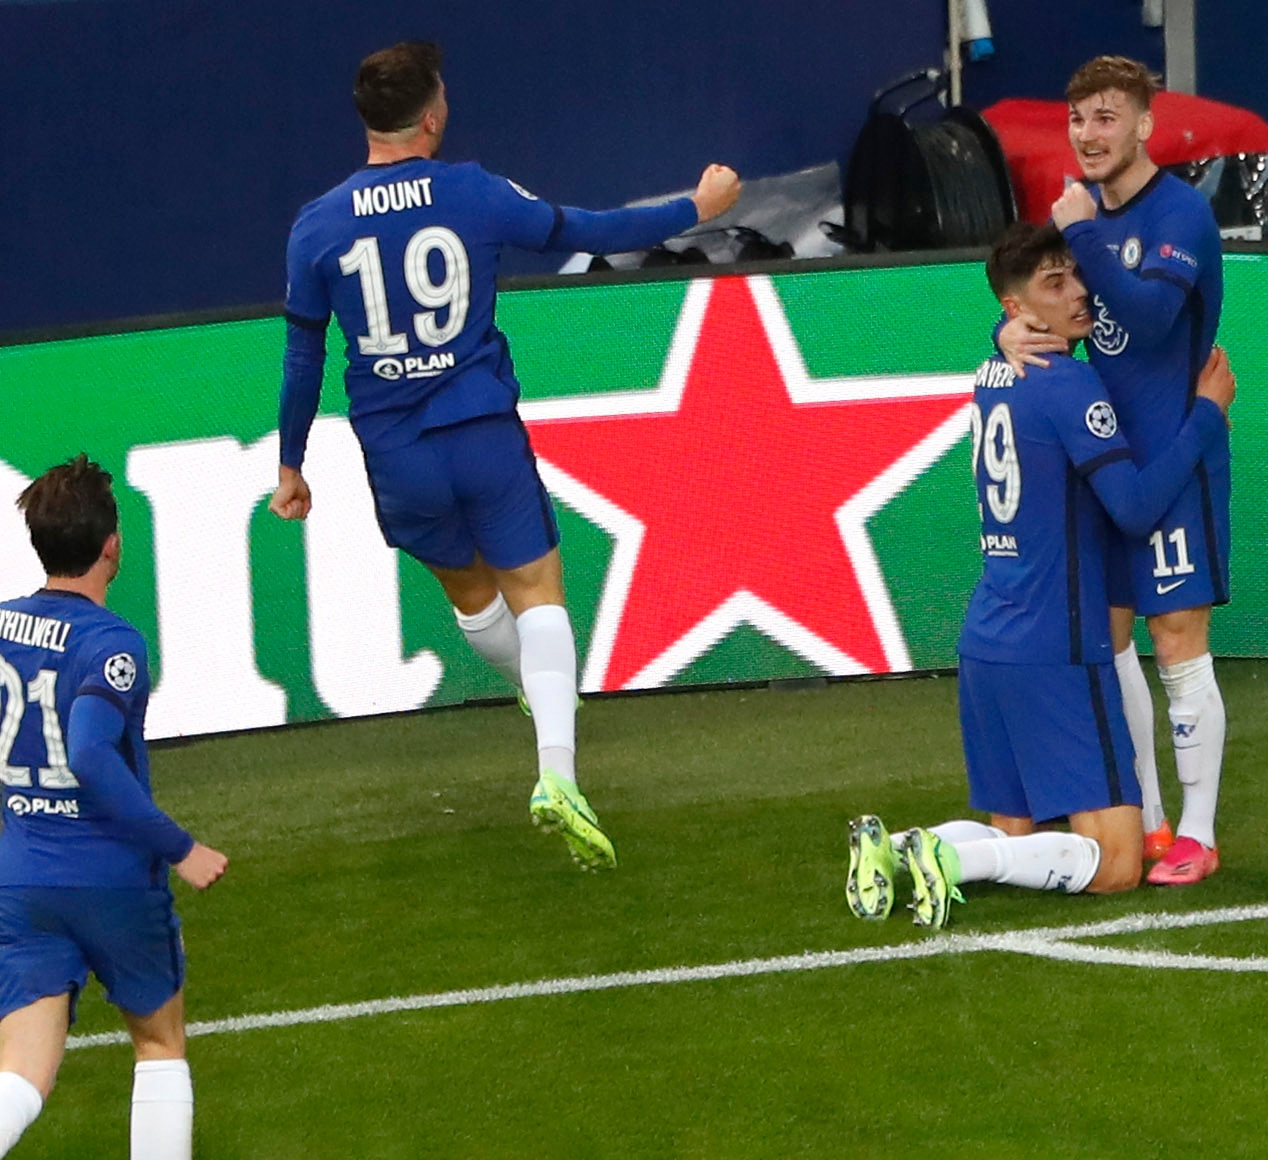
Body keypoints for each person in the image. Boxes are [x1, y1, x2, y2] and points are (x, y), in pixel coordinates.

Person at [270, 41, 741, 869]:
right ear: (431, 115)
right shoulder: (474, 193)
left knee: (473, 597)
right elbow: (589, 230)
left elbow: (302, 357)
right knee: (539, 592)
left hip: (397, 452)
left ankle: (533, 691)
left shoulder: (317, 225)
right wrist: (693, 206)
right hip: (480, 430)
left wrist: (291, 463)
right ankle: (555, 770)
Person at [845, 223, 1235, 929]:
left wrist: (1003, 330)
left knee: (1018, 832)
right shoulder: (1067, 384)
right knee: (1115, 864)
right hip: (1056, 646)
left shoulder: (991, 370)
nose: (1080, 292)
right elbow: (1134, 510)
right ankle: (946, 860)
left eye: (1076, 276)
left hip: (988, 639)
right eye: (1054, 285)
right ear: (1017, 306)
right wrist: (1205, 419)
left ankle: (903, 849)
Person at [998, 56, 1227, 885]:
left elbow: (1151, 315)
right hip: (1103, 464)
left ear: (1142, 126)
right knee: (1115, 639)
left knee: (1178, 641)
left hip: (1174, 456)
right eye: (1077, 120)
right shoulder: (1079, 219)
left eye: (1104, 118)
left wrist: (1085, 231)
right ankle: (1154, 818)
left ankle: (1199, 832)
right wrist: (1007, 332)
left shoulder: (1181, 214)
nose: (1087, 136)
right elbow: (1040, 294)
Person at [0, 455, 230, 1159]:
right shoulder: (111, 642)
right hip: (111, 882)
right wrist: (180, 847)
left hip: (20, 881)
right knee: (159, 1044)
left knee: (21, 1072)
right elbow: (93, 754)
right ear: (111, 546)